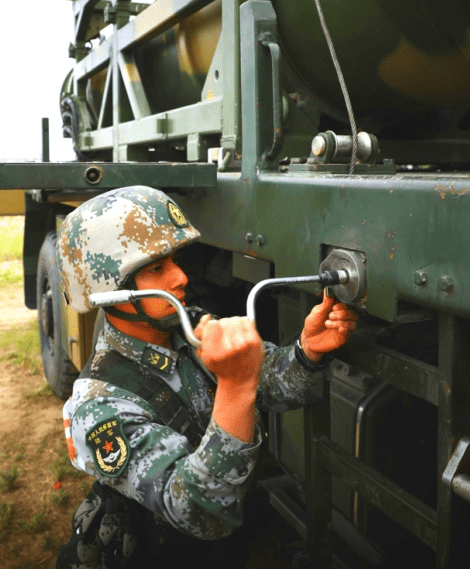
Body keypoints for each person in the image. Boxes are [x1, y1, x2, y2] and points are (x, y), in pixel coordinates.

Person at [55, 186, 357, 568]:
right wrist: (234, 387)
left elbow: (265, 383)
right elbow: (200, 512)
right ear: (109, 291)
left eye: (175, 260)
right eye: (155, 269)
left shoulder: (188, 325)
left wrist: (307, 351)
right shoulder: (98, 405)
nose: (180, 278)